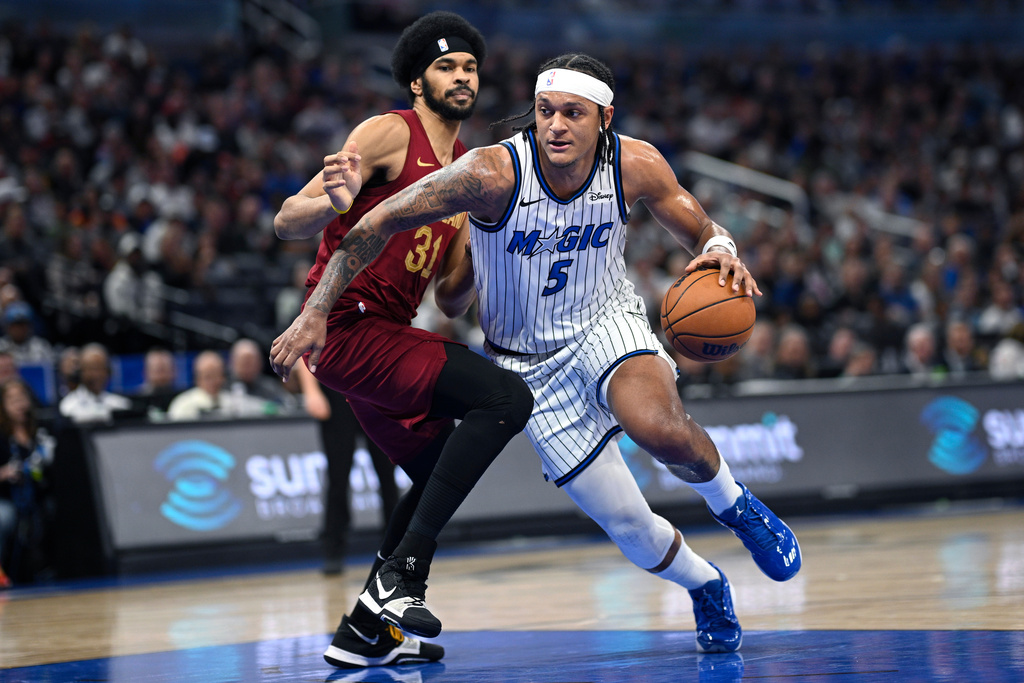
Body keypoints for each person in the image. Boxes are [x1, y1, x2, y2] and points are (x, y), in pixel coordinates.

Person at [272, 52, 802, 655]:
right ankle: (706, 584)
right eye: (546, 111)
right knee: (629, 528)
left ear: (603, 117)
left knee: (658, 427)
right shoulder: (489, 175)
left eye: (573, 113)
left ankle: (737, 507)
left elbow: (697, 223)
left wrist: (722, 246)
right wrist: (324, 306)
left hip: (607, 323)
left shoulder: (635, 161)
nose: (556, 125)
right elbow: (404, 256)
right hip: (525, 360)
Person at [269, 12, 533, 669]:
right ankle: (401, 579)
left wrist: (488, 247)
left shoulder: (469, 177)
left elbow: (448, 298)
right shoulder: (391, 131)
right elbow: (285, 218)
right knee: (504, 399)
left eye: (470, 66)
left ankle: (365, 627)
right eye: (447, 67)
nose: (462, 76)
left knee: (436, 465)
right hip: (345, 322)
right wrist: (334, 199)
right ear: (419, 82)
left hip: (386, 335)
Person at [292, 361, 398, 576]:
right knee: (338, 476)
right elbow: (306, 351)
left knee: (387, 474)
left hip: (373, 391)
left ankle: (396, 550)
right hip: (336, 391)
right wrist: (311, 391)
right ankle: (333, 550)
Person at [0, 377, 55, 585]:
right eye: (12, 399)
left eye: (22, 397)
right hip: (6, 497)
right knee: (3, 517)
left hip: (38, 495)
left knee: (53, 510)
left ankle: (49, 570)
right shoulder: (1, 436)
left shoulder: (40, 431)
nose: (19, 404)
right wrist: (4, 473)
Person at [58, 343, 131, 423]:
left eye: (100, 368)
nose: (96, 375)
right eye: (91, 369)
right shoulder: (68, 406)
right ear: (81, 372)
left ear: (109, 372)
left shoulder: (121, 405)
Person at [227, 338, 297, 413]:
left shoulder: (270, 387)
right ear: (233, 363)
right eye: (244, 362)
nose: (248, 367)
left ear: (260, 363)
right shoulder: (224, 387)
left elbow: (288, 406)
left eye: (251, 362)